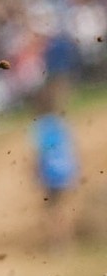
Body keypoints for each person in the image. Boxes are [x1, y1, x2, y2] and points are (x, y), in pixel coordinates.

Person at [32, 106, 80, 247]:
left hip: (50, 173)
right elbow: (71, 147)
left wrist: (35, 174)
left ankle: (57, 242)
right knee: (64, 206)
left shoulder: (40, 127)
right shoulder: (62, 124)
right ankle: (67, 239)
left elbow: (38, 153)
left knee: (52, 209)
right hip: (67, 170)